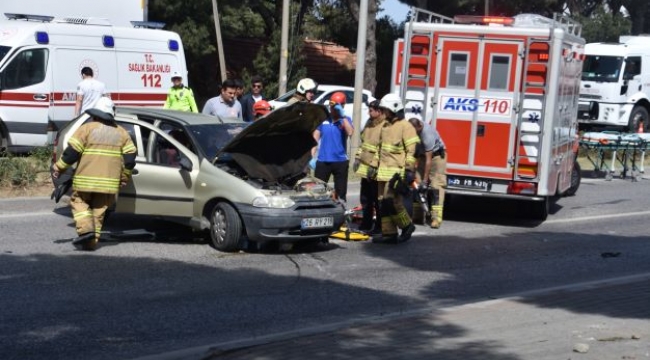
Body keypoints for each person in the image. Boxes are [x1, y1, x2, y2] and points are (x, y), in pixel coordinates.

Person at [52, 97, 137, 251]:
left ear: (96, 115)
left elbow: (71, 154)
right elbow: (130, 159)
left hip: (86, 180)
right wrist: (124, 177)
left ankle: (86, 231)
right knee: (99, 210)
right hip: (109, 183)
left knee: (79, 202)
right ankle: (90, 243)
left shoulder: (87, 129)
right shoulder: (122, 133)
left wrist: (59, 167)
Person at [372, 93, 419, 244]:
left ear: (394, 109)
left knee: (391, 202)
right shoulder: (385, 126)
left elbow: (412, 151)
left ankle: (407, 225)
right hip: (382, 172)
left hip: (395, 174)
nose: (383, 113)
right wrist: (373, 165)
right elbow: (379, 148)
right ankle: (389, 234)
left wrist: (409, 171)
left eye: (385, 110)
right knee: (382, 204)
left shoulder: (406, 127)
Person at [313, 92, 354, 202]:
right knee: (318, 193)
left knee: (341, 194)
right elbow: (314, 140)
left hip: (340, 161)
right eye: (331, 107)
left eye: (335, 107)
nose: (332, 109)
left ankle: (341, 215)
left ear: (342, 106)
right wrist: (311, 157)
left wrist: (343, 115)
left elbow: (350, 132)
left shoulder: (346, 120)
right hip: (323, 161)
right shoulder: (323, 120)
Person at [408, 115, 447, 228]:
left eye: (414, 131)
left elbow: (428, 160)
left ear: (419, 126)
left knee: (436, 186)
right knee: (416, 184)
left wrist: (425, 181)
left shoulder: (427, 133)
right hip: (422, 156)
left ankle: (436, 218)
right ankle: (418, 216)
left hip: (436, 157)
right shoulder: (412, 131)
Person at [353, 100, 384, 234]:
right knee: (365, 198)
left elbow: (381, 148)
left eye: (371, 110)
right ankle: (366, 223)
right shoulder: (368, 124)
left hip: (375, 168)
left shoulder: (384, 126)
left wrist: (374, 165)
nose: (368, 113)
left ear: (379, 111)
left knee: (377, 200)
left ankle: (379, 227)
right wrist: (357, 158)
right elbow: (363, 143)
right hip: (365, 168)